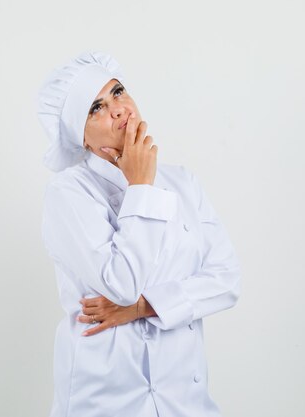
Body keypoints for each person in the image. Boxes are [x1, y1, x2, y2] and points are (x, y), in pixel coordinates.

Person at [37, 51, 241, 417]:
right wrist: (141, 186)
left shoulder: (184, 183)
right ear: (79, 137)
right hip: (106, 400)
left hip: (186, 401)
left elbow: (226, 281)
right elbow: (121, 283)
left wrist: (140, 309)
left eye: (118, 92)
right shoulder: (68, 195)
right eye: (95, 108)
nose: (116, 109)